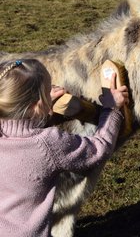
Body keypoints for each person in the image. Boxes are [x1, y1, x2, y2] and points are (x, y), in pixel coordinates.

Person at [0, 58, 129, 237]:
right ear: (38, 105)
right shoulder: (48, 143)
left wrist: (43, 103)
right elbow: (98, 149)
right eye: (48, 89)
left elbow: (20, 132)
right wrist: (111, 109)